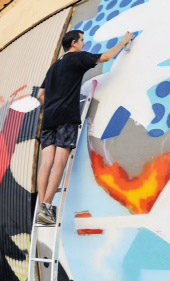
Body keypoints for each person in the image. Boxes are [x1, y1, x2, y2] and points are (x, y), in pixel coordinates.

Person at [36, 29, 134, 224]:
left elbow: (41, 95)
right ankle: (46, 207)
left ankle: (41, 207)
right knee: (60, 161)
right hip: (66, 117)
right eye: (82, 40)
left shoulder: (53, 67)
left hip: (49, 119)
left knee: (46, 162)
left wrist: (54, 104)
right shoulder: (77, 58)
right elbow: (106, 57)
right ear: (74, 43)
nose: (84, 44)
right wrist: (124, 41)